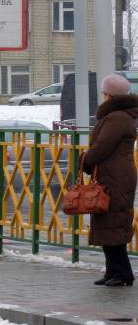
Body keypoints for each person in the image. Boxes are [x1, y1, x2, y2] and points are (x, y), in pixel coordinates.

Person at [84, 74, 137, 287]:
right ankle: (112, 271)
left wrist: (85, 161)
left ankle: (123, 274)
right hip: (112, 175)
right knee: (107, 223)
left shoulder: (117, 118)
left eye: (104, 92)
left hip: (116, 177)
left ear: (109, 95)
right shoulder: (119, 115)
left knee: (114, 223)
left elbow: (103, 146)